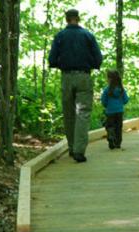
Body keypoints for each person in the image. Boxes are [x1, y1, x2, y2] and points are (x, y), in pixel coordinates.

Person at [48, 9, 103, 163]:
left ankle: (72, 148)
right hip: (84, 76)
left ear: (66, 19)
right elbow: (98, 58)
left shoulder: (60, 36)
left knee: (69, 113)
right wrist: (90, 65)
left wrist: (61, 64)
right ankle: (79, 150)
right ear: (78, 19)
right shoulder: (88, 35)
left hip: (66, 77)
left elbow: (52, 59)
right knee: (83, 113)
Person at [101, 70, 129, 150]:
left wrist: (107, 106)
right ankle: (117, 143)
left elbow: (103, 101)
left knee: (110, 126)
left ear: (110, 79)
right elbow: (126, 100)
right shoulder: (121, 90)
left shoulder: (107, 90)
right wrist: (120, 104)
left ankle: (110, 136)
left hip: (110, 111)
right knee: (118, 127)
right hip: (119, 111)